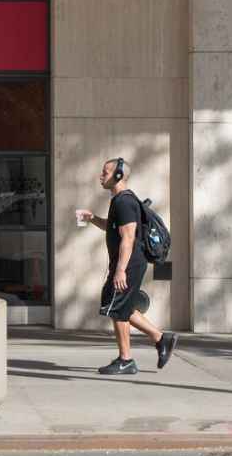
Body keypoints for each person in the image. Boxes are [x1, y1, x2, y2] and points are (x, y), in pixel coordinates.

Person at [74, 157, 177, 376]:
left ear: (118, 175)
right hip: (126, 263)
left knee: (117, 309)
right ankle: (161, 338)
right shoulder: (119, 201)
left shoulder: (125, 202)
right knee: (122, 307)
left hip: (128, 264)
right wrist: (92, 218)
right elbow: (113, 229)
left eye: (105, 172)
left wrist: (120, 269)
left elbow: (128, 237)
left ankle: (126, 360)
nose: (101, 176)